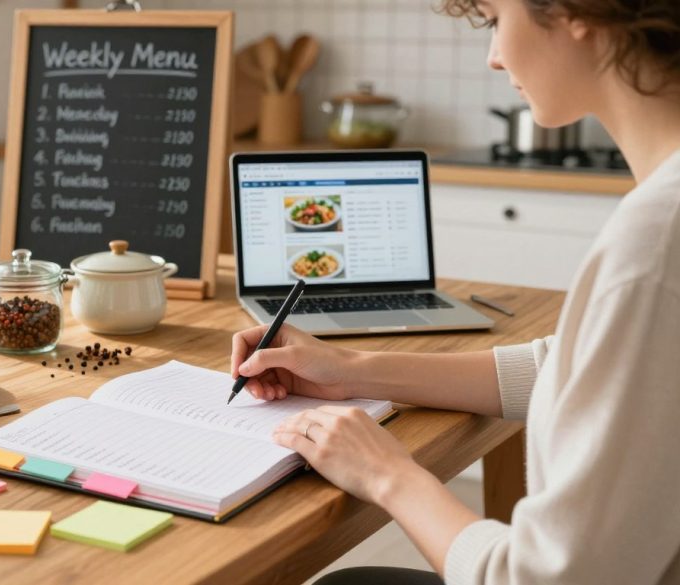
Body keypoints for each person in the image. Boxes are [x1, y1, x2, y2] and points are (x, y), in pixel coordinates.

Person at [229, 0, 680, 583]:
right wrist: (352, 367)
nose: (494, 57)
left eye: (495, 19)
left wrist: (390, 475)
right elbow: (574, 370)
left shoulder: (654, 245)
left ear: (575, 12)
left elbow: (548, 579)